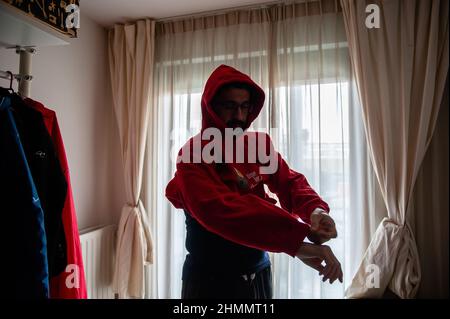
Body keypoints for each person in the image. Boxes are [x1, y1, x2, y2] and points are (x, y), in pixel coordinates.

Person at [165, 64, 342, 299]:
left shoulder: (258, 146)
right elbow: (222, 211)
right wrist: (298, 241)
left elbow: (289, 182)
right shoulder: (191, 156)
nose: (239, 116)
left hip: (258, 273)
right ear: (211, 107)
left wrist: (315, 212)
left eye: (244, 106)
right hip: (210, 281)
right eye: (229, 106)